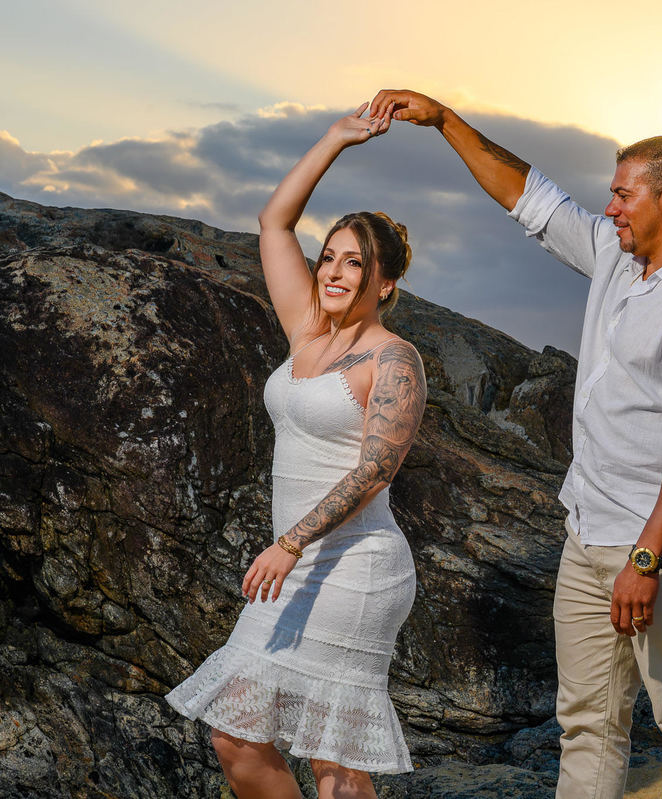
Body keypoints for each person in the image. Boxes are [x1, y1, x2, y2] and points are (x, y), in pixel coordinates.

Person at [369, 89, 662, 799]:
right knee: (586, 723)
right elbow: (529, 197)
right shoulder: (616, 258)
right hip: (588, 536)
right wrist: (445, 122)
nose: (608, 208)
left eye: (621, 195)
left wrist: (647, 558)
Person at [166, 103, 427, 799]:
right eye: (331, 258)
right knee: (237, 734)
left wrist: (291, 541)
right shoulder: (307, 334)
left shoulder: (393, 359)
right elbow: (274, 221)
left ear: (387, 282)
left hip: (357, 566)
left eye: (356, 263)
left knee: (335, 762)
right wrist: (338, 138)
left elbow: (376, 469)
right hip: (296, 561)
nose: (335, 272)